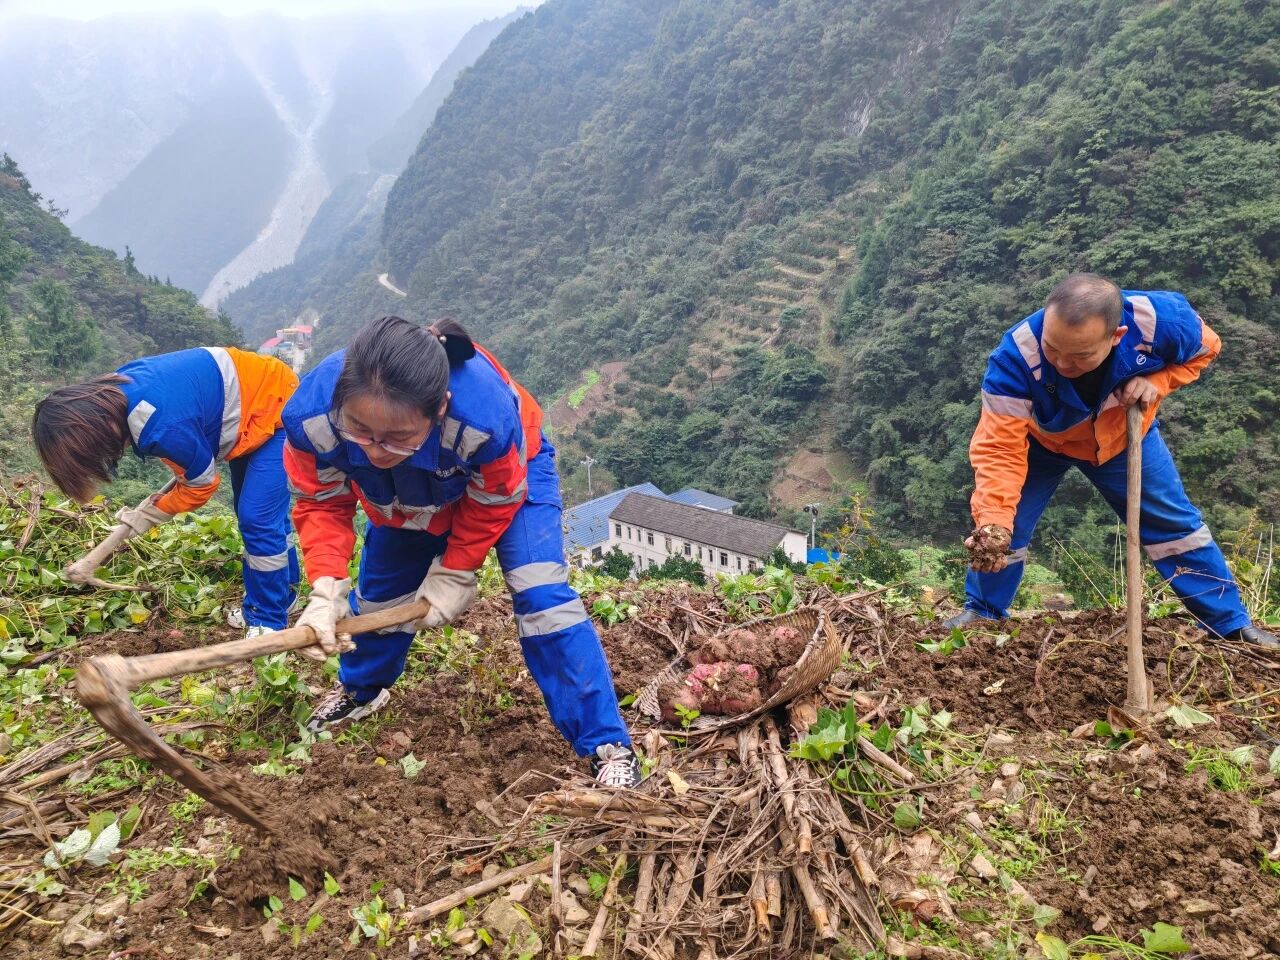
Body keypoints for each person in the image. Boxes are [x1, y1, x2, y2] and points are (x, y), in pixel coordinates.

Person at [282, 315, 640, 787]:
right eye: (361, 430)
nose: (376, 450)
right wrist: (327, 586)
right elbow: (321, 501)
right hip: (403, 495)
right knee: (381, 603)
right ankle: (361, 689)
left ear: (440, 409)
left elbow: (496, 497)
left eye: (397, 437)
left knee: (542, 597)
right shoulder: (311, 418)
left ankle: (606, 744)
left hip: (512, 481)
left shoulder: (483, 418)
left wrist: (456, 569)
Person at [951, 273, 1277, 647]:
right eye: (1053, 349)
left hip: (1123, 437)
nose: (1062, 363)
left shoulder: (1162, 324)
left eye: (1080, 356)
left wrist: (1160, 380)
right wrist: (994, 520)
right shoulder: (1016, 355)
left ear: (1116, 336)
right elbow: (999, 448)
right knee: (1006, 529)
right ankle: (983, 612)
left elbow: (1207, 348)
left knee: (1175, 527)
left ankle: (1229, 623)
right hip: (1040, 443)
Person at [33, 346, 300, 639]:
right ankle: (285, 596)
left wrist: (149, 515)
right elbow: (192, 464)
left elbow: (202, 485)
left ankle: (268, 621)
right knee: (260, 516)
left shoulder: (160, 427)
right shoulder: (118, 390)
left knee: (257, 518)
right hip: (252, 407)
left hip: (276, 407)